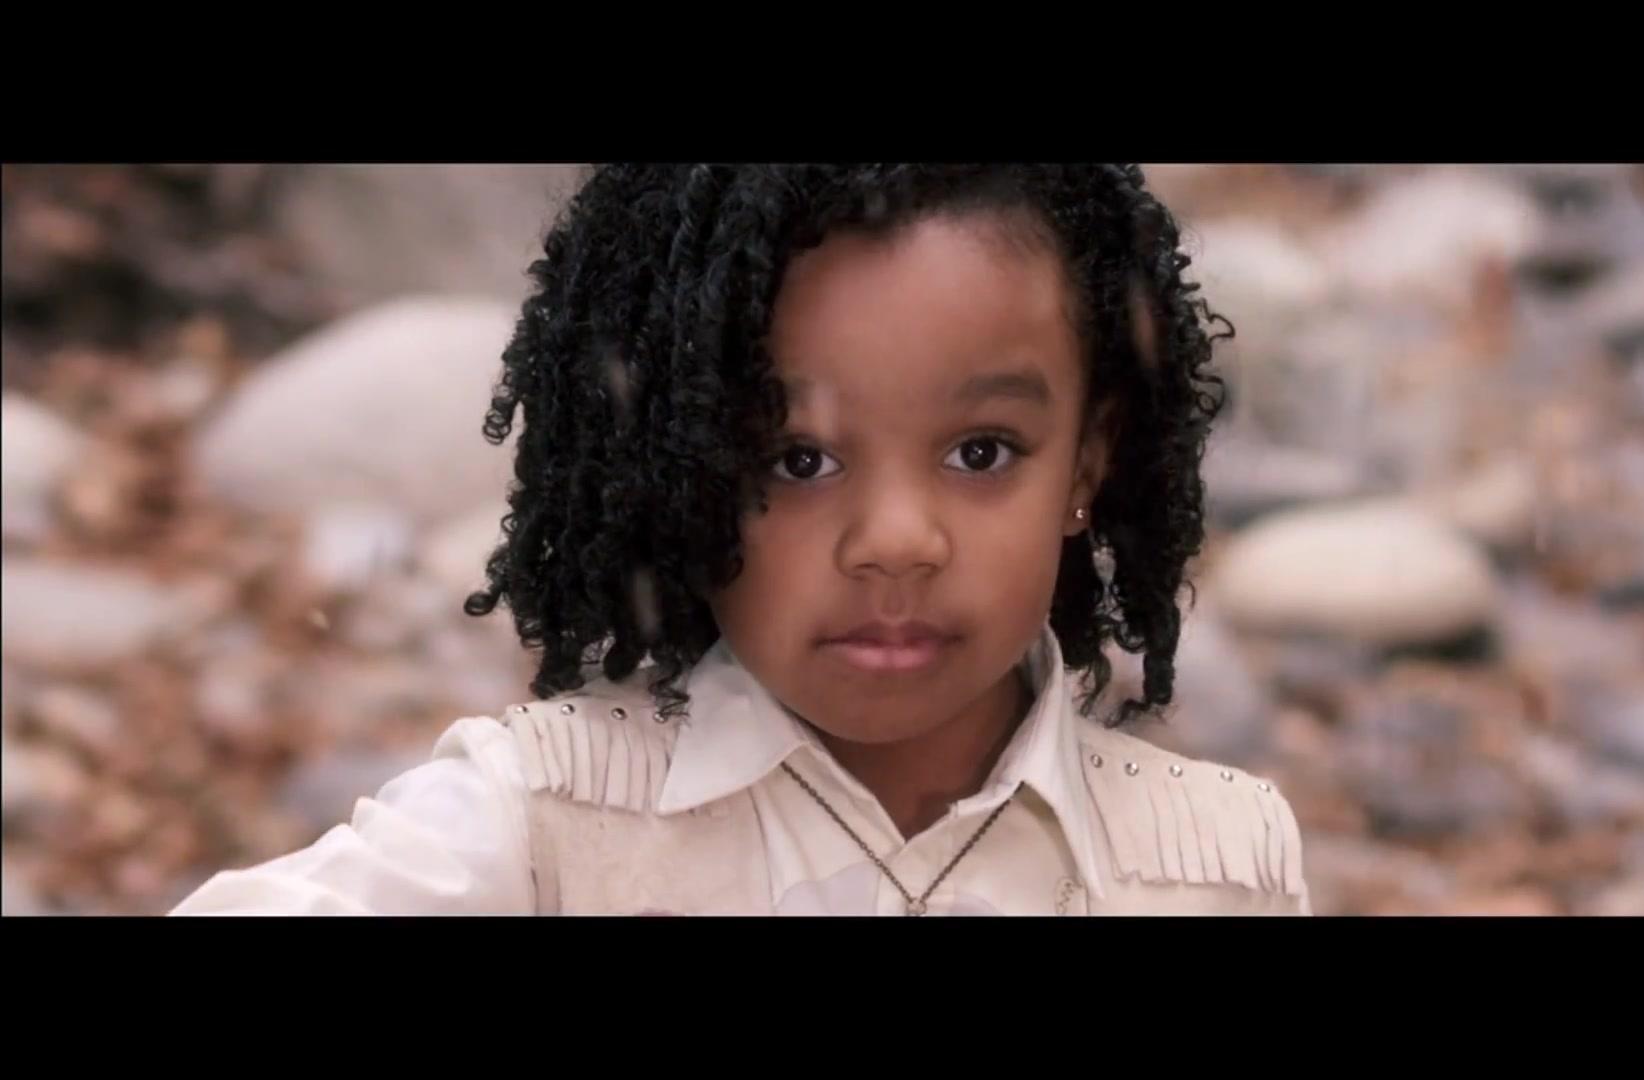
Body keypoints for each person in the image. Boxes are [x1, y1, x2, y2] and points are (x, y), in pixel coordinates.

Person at [172, 164, 1311, 915]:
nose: (897, 541)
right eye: (797, 460)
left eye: (981, 452)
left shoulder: (1214, 864)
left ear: (1088, 464)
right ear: (678, 467)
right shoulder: (542, 826)